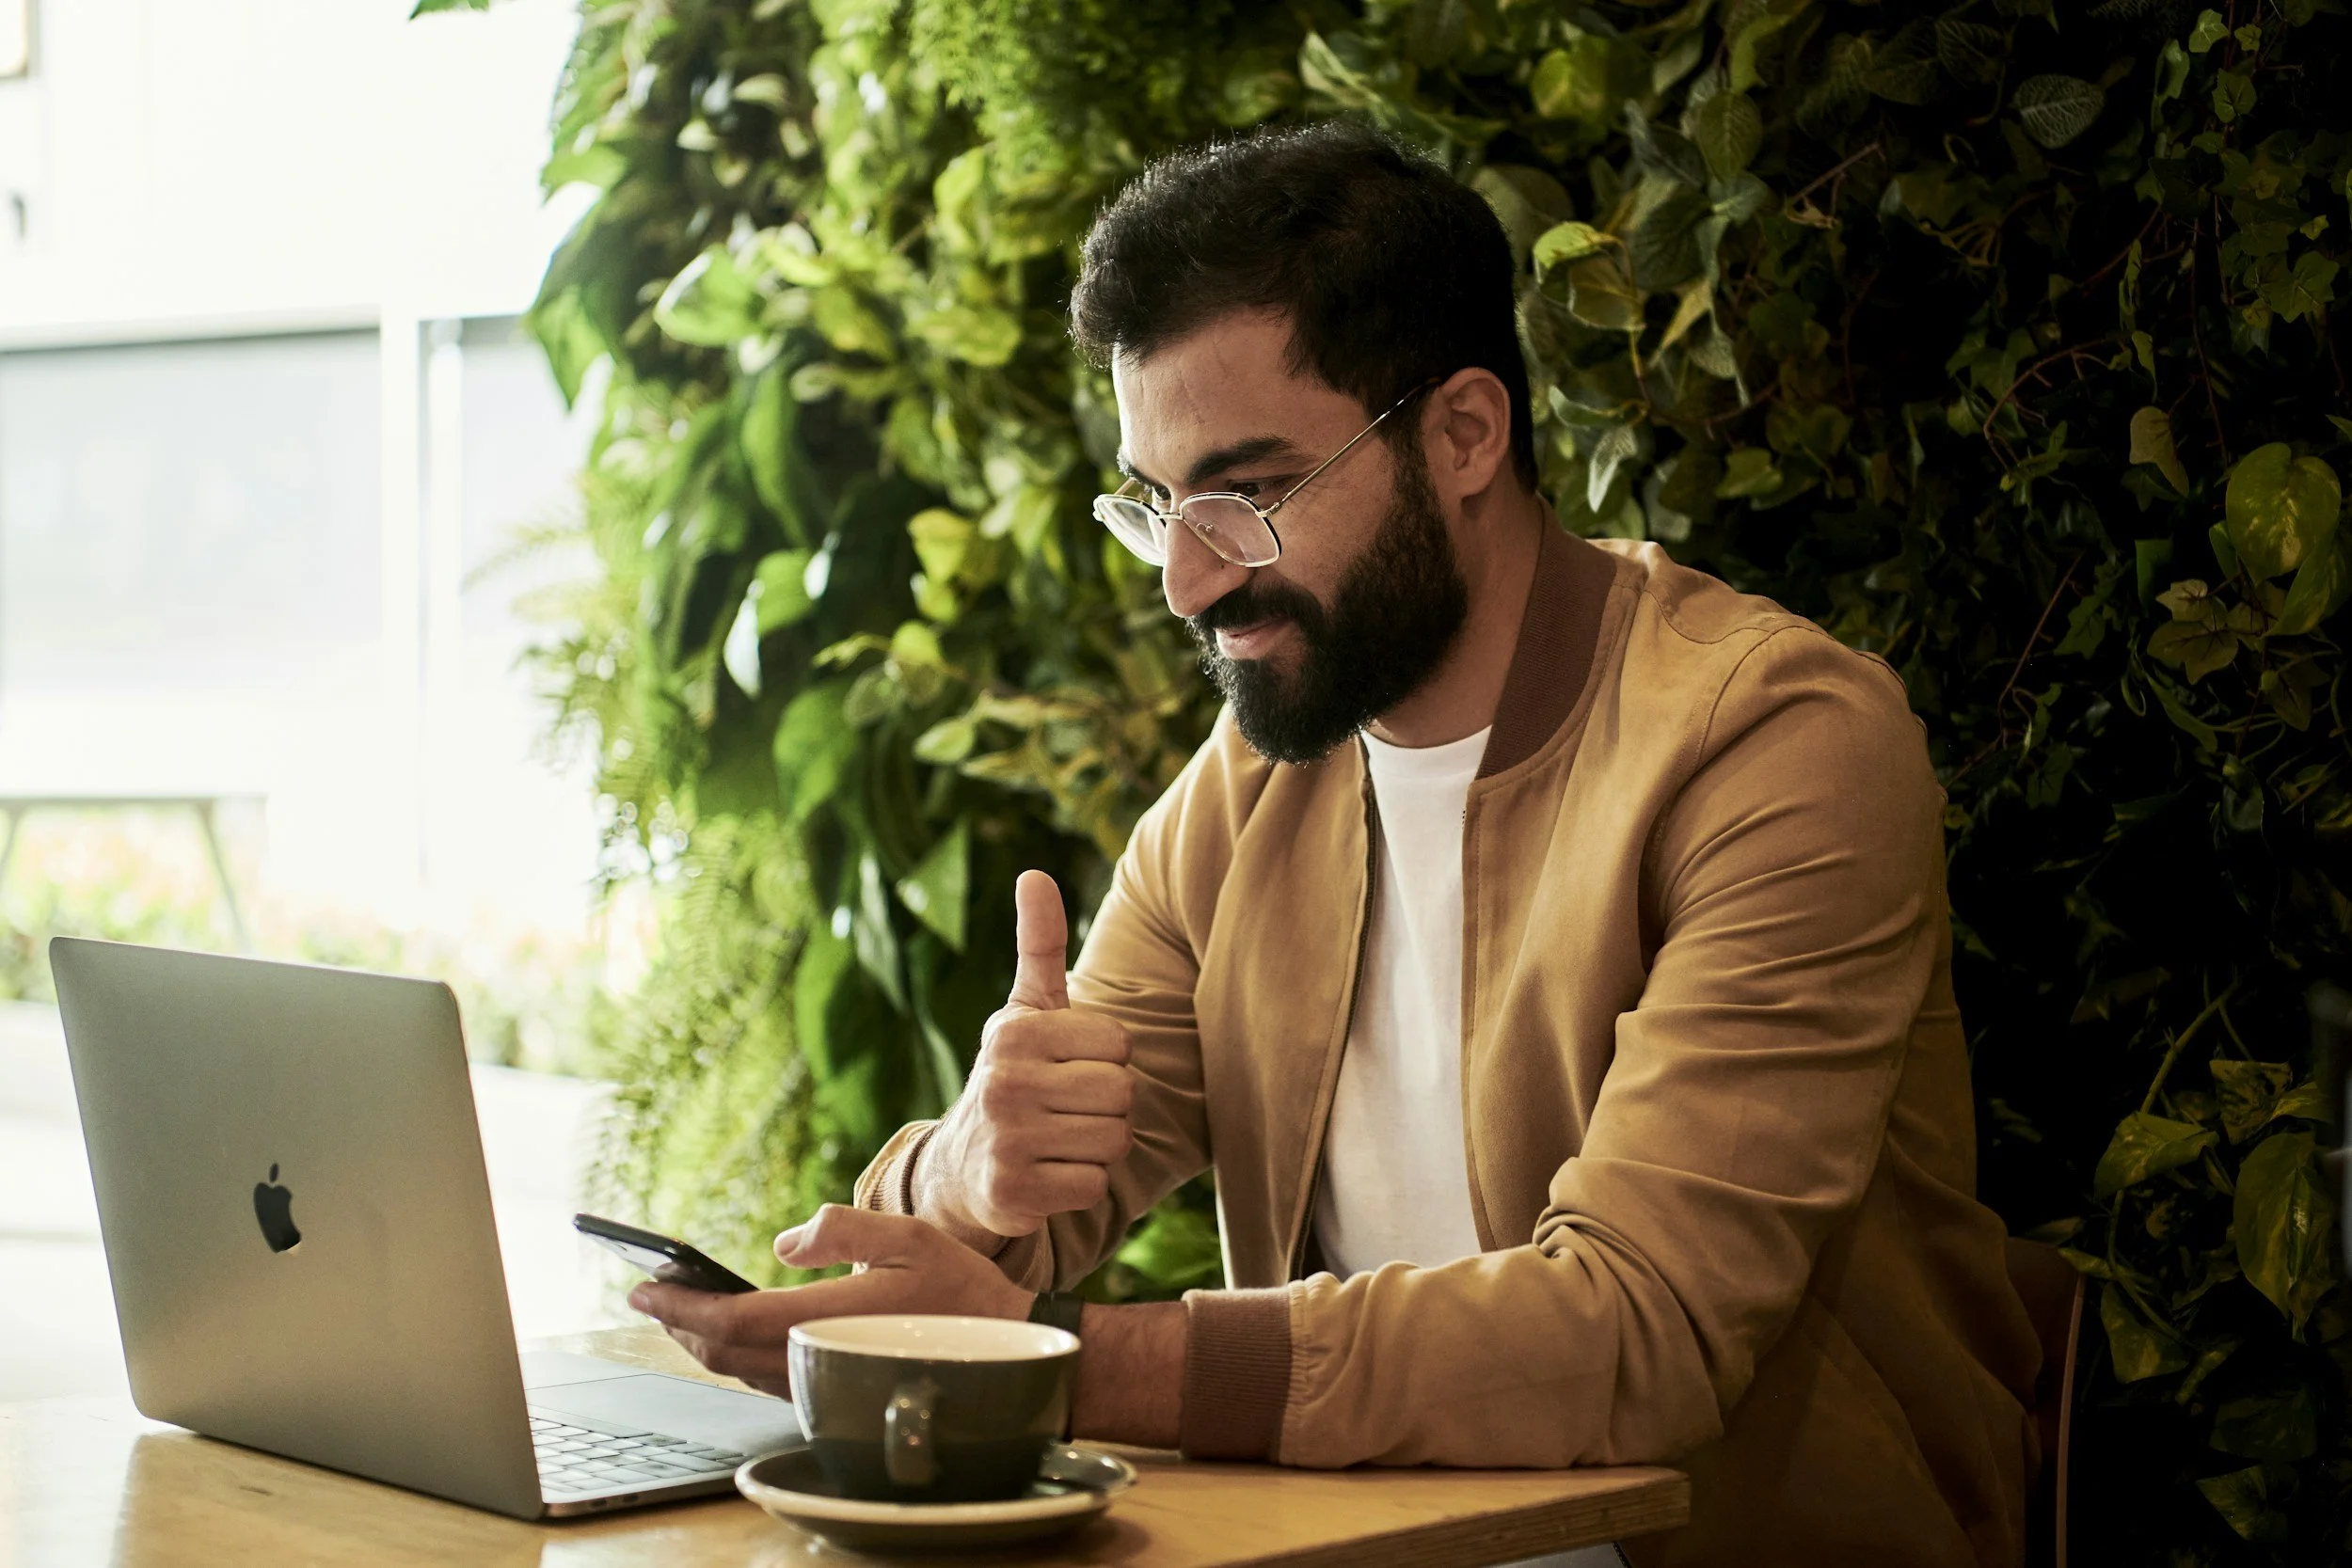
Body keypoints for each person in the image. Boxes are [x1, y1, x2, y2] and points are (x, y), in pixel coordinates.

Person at [629, 120, 2042, 1568]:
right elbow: (992, 1239)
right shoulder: (1255, 785)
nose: (1188, 578)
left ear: (1466, 434)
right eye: (1160, 503)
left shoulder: (1771, 743)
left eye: (1250, 494)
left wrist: (1058, 1357)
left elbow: (1639, 1333)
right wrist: (974, 1176)